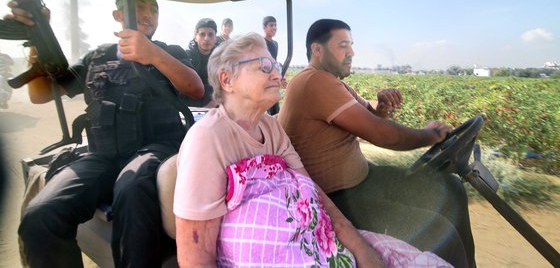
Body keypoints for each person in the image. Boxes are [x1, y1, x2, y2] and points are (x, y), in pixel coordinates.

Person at [172, 33, 452, 267]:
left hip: (314, 240)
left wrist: (362, 249)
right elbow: (196, 257)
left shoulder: (270, 128)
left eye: (275, 65)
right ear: (227, 80)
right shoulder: (207, 140)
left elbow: (312, 192)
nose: (276, 75)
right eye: (263, 66)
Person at [8, 0, 204, 268]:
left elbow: (196, 88)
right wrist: (38, 36)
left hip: (154, 150)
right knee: (41, 215)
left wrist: (152, 54)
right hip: (102, 155)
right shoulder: (96, 57)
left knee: (133, 189)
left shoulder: (167, 52)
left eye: (154, 8)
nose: (148, 13)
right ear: (118, 14)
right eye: (139, 6)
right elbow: (40, 94)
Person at [277, 19, 476, 268]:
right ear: (317, 50)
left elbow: (369, 113)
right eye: (342, 45)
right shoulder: (314, 82)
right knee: (444, 233)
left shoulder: (333, 82)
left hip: (365, 179)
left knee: (451, 187)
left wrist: (381, 107)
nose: (351, 52)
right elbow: (382, 135)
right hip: (339, 199)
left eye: (351, 45)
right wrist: (430, 135)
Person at [184, 18, 218, 107]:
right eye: (202, 34)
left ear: (215, 38)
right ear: (195, 37)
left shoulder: (221, 60)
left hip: (214, 108)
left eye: (210, 35)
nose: (206, 38)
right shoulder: (185, 57)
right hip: (189, 108)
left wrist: (211, 106)